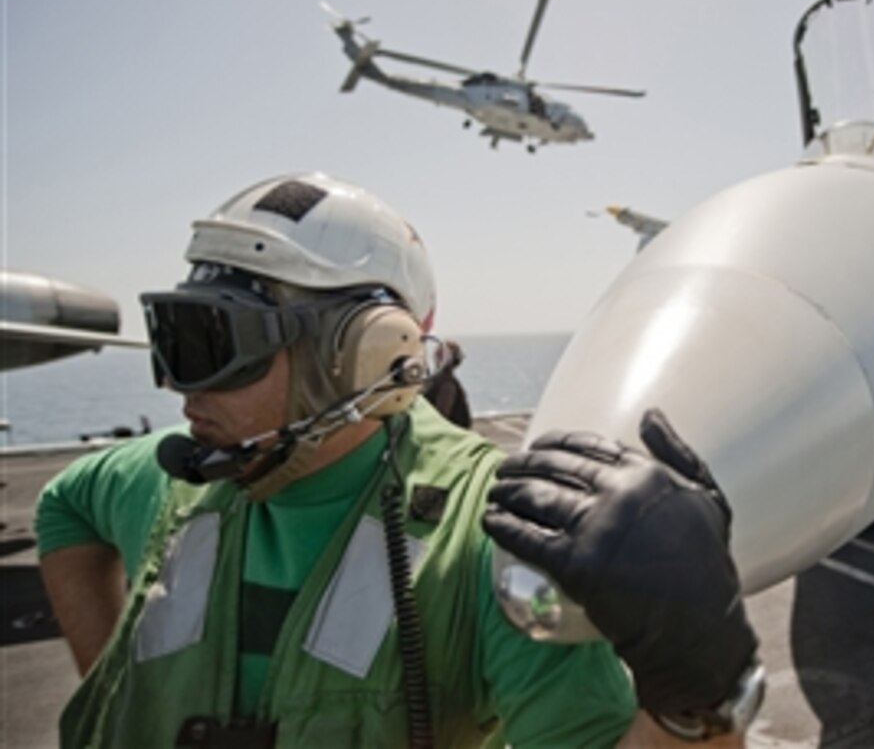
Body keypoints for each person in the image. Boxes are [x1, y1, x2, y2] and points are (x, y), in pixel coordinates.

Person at [35, 172, 761, 748]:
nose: (177, 384)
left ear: (361, 356)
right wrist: (109, 691)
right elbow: (64, 505)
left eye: (215, 343)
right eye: (174, 338)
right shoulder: (166, 475)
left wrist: (696, 689)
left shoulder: (496, 537)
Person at [423, 340, 473, 428]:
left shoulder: (447, 384)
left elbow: (441, 417)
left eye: (440, 353)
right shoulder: (436, 380)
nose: (435, 355)